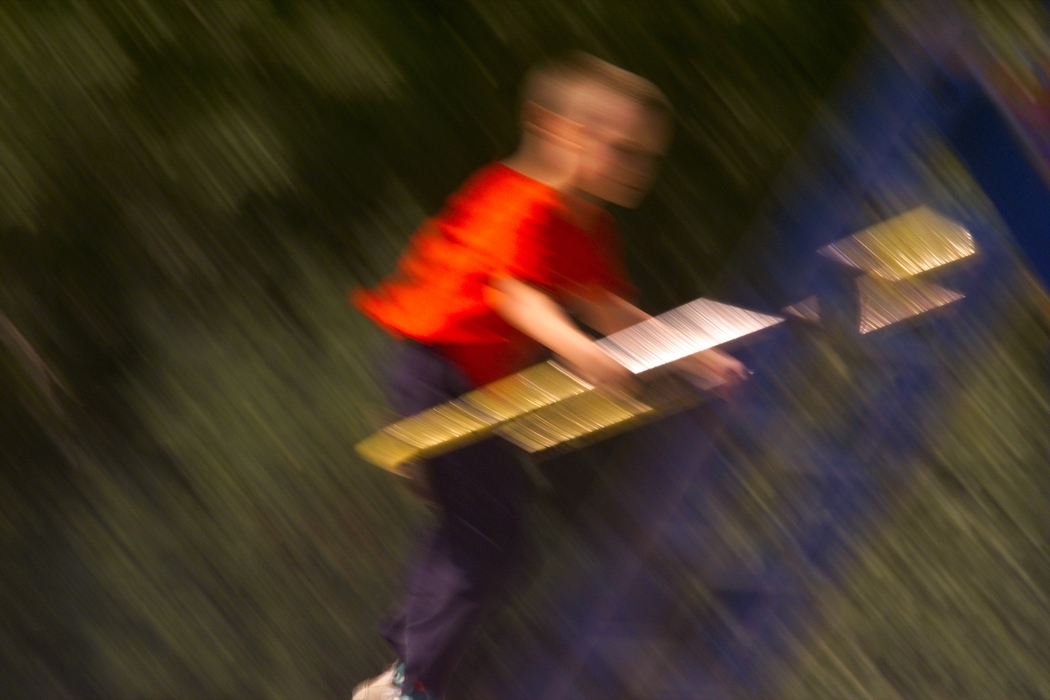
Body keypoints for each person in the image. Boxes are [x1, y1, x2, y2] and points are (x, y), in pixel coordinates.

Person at [351, 54, 748, 700]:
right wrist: (579, 352)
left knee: (487, 533)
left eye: (644, 158)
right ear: (560, 130)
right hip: (433, 370)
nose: (636, 171)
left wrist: (702, 355)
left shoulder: (584, 225)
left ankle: (401, 677)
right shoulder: (523, 204)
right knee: (494, 536)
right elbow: (516, 295)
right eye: (622, 151)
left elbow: (608, 307)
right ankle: (405, 682)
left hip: (456, 382)